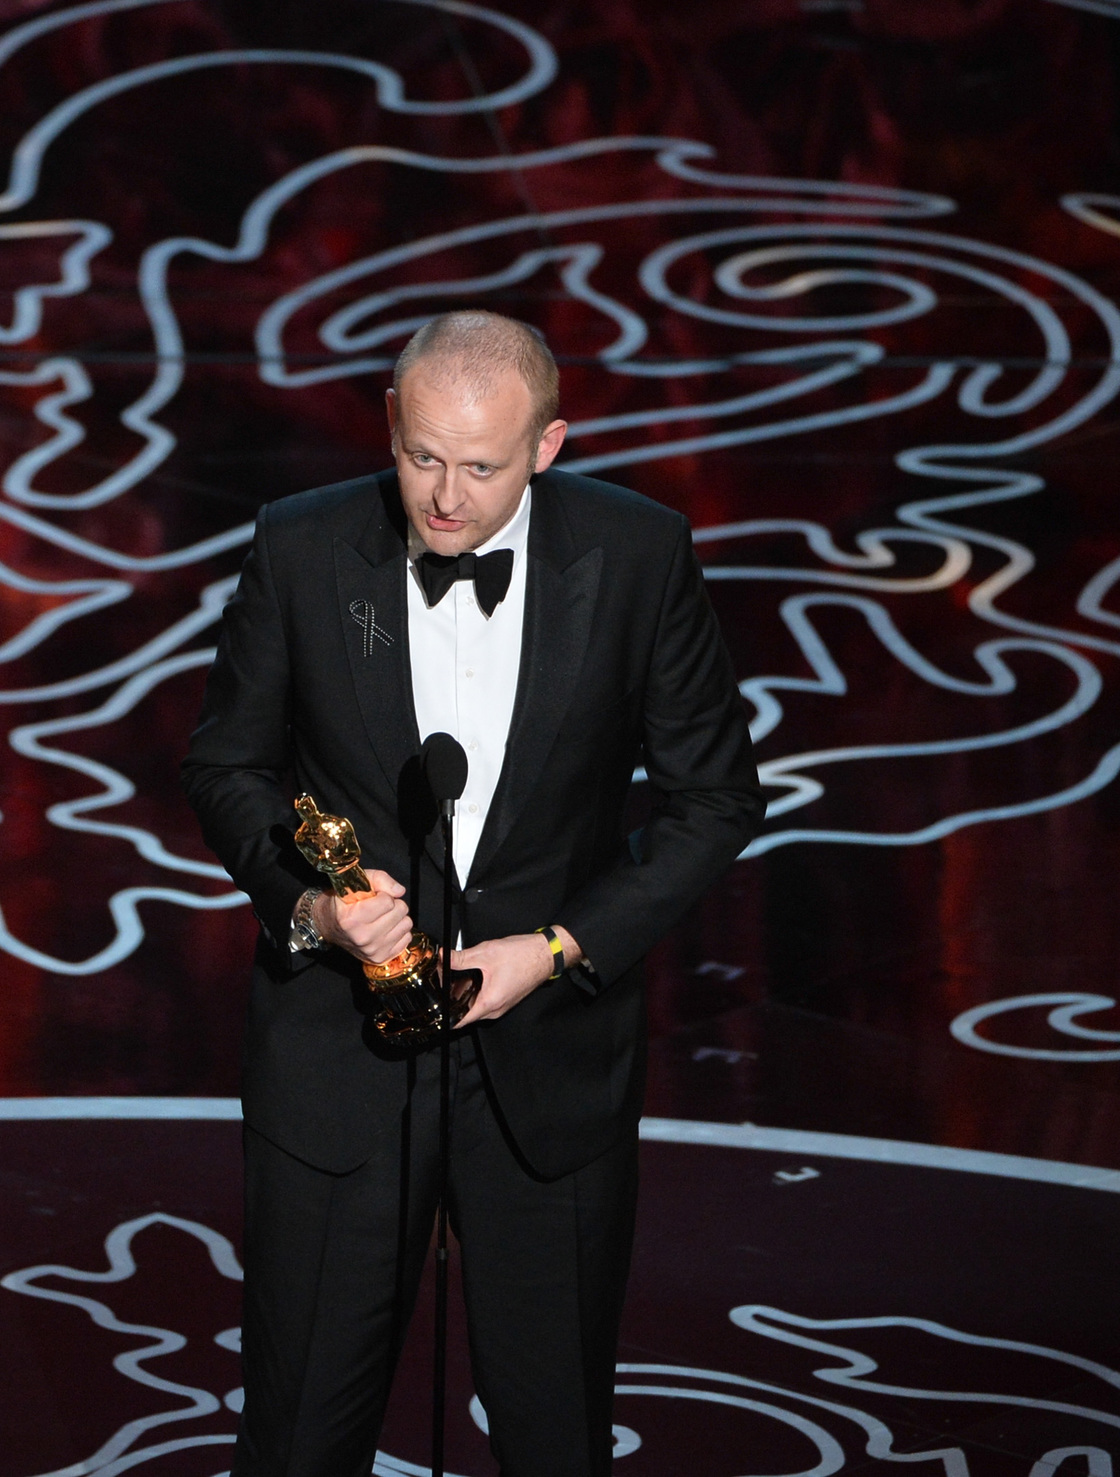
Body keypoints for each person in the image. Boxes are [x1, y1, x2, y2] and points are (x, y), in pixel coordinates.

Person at [182, 310, 763, 1475]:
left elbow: (713, 801)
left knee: (553, 1438)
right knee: (296, 1435)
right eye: (420, 456)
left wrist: (550, 949)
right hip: (336, 1067)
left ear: (548, 446)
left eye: (482, 467)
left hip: (544, 1067)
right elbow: (224, 766)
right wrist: (310, 907)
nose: (443, 498)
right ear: (391, 422)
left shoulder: (637, 554)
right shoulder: (300, 545)